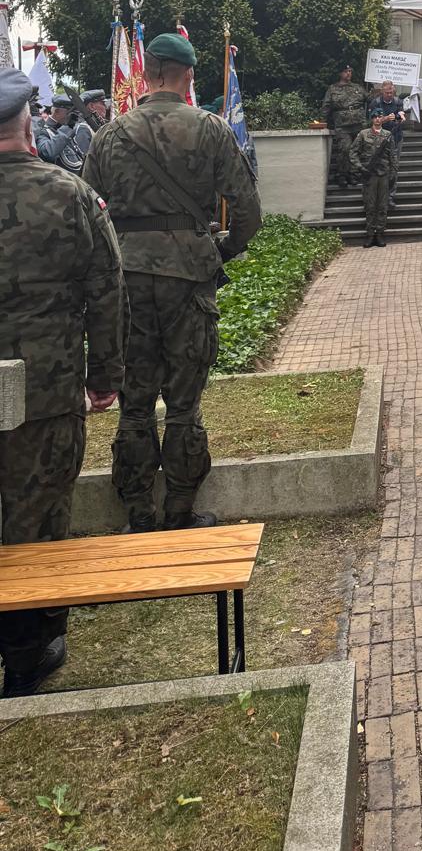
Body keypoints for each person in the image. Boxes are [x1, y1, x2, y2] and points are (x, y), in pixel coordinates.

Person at [84, 32, 262, 532]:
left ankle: (138, 514)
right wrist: (220, 250)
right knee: (184, 404)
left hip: (128, 280)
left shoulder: (109, 136)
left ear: (147, 73)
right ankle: (181, 510)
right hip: (189, 280)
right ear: (188, 75)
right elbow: (248, 212)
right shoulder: (210, 129)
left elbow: (88, 212)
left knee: (135, 404)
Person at [0, 67, 125, 696]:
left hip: (39, 386)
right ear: (29, 124)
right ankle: (29, 652)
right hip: (46, 388)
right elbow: (107, 289)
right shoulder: (69, 193)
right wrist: (105, 377)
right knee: (40, 513)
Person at [351, 113, 397, 247]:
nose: (377, 119)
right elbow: (353, 152)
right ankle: (370, 234)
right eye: (375, 116)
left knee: (382, 206)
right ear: (372, 119)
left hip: (384, 174)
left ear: (382, 119)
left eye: (380, 116)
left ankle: (380, 233)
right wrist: (360, 167)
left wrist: (393, 172)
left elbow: (393, 155)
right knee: (370, 206)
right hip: (369, 175)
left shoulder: (388, 135)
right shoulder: (363, 134)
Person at [321, 63, 368, 188]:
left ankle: (354, 174)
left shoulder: (358, 87)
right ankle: (342, 174)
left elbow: (369, 100)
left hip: (358, 123)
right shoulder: (333, 89)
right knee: (345, 149)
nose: (349, 73)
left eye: (350, 71)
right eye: (346, 71)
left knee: (357, 149)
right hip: (342, 125)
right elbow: (326, 107)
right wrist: (322, 122)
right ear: (340, 73)